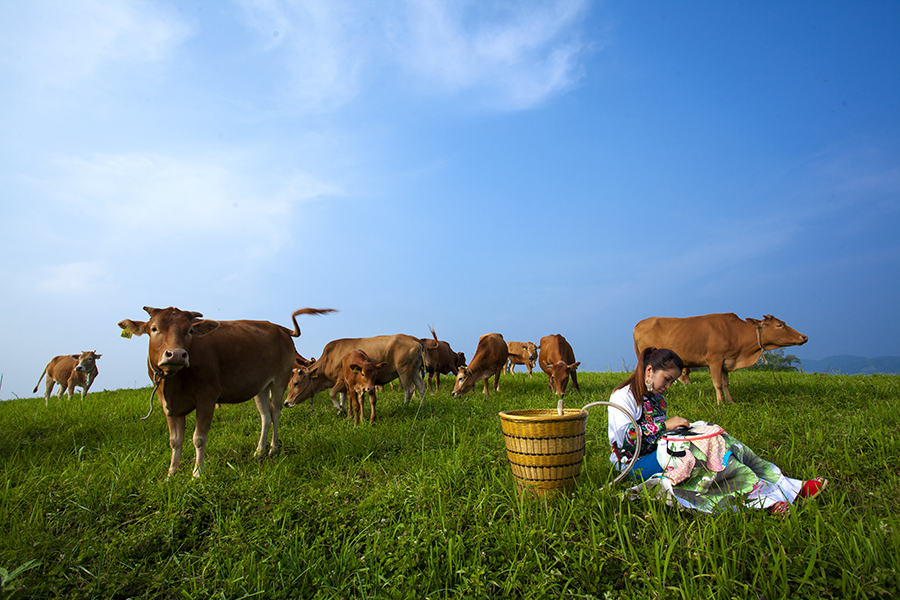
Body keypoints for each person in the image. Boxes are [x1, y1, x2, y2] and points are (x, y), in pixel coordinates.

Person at [608, 347, 827, 514]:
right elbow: (629, 440)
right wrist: (666, 426)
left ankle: (789, 486)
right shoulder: (622, 397)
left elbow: (658, 435)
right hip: (633, 465)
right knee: (702, 455)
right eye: (666, 379)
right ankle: (764, 502)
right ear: (649, 371)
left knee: (721, 441)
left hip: (663, 452)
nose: (668, 386)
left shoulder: (657, 399)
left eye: (672, 381)